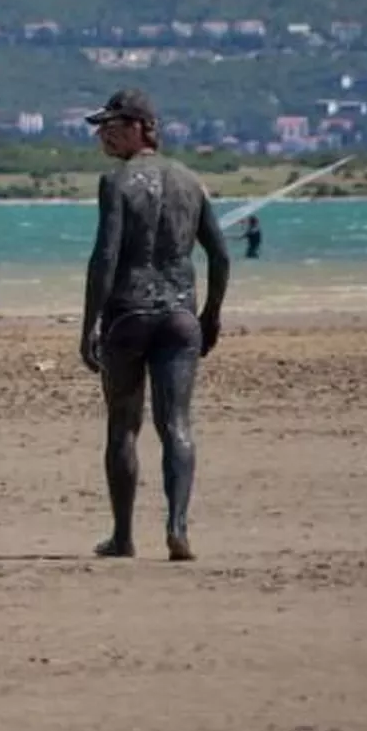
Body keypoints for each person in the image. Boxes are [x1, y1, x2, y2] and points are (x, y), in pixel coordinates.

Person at [79, 89, 230, 562]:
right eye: (102, 126)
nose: (104, 134)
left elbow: (105, 258)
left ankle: (124, 537)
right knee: (177, 423)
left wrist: (87, 326)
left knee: (124, 426)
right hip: (180, 316)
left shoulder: (118, 182)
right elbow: (220, 256)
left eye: (114, 124)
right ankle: (177, 525)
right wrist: (210, 313)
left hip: (127, 313)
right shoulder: (191, 181)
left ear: (143, 126)